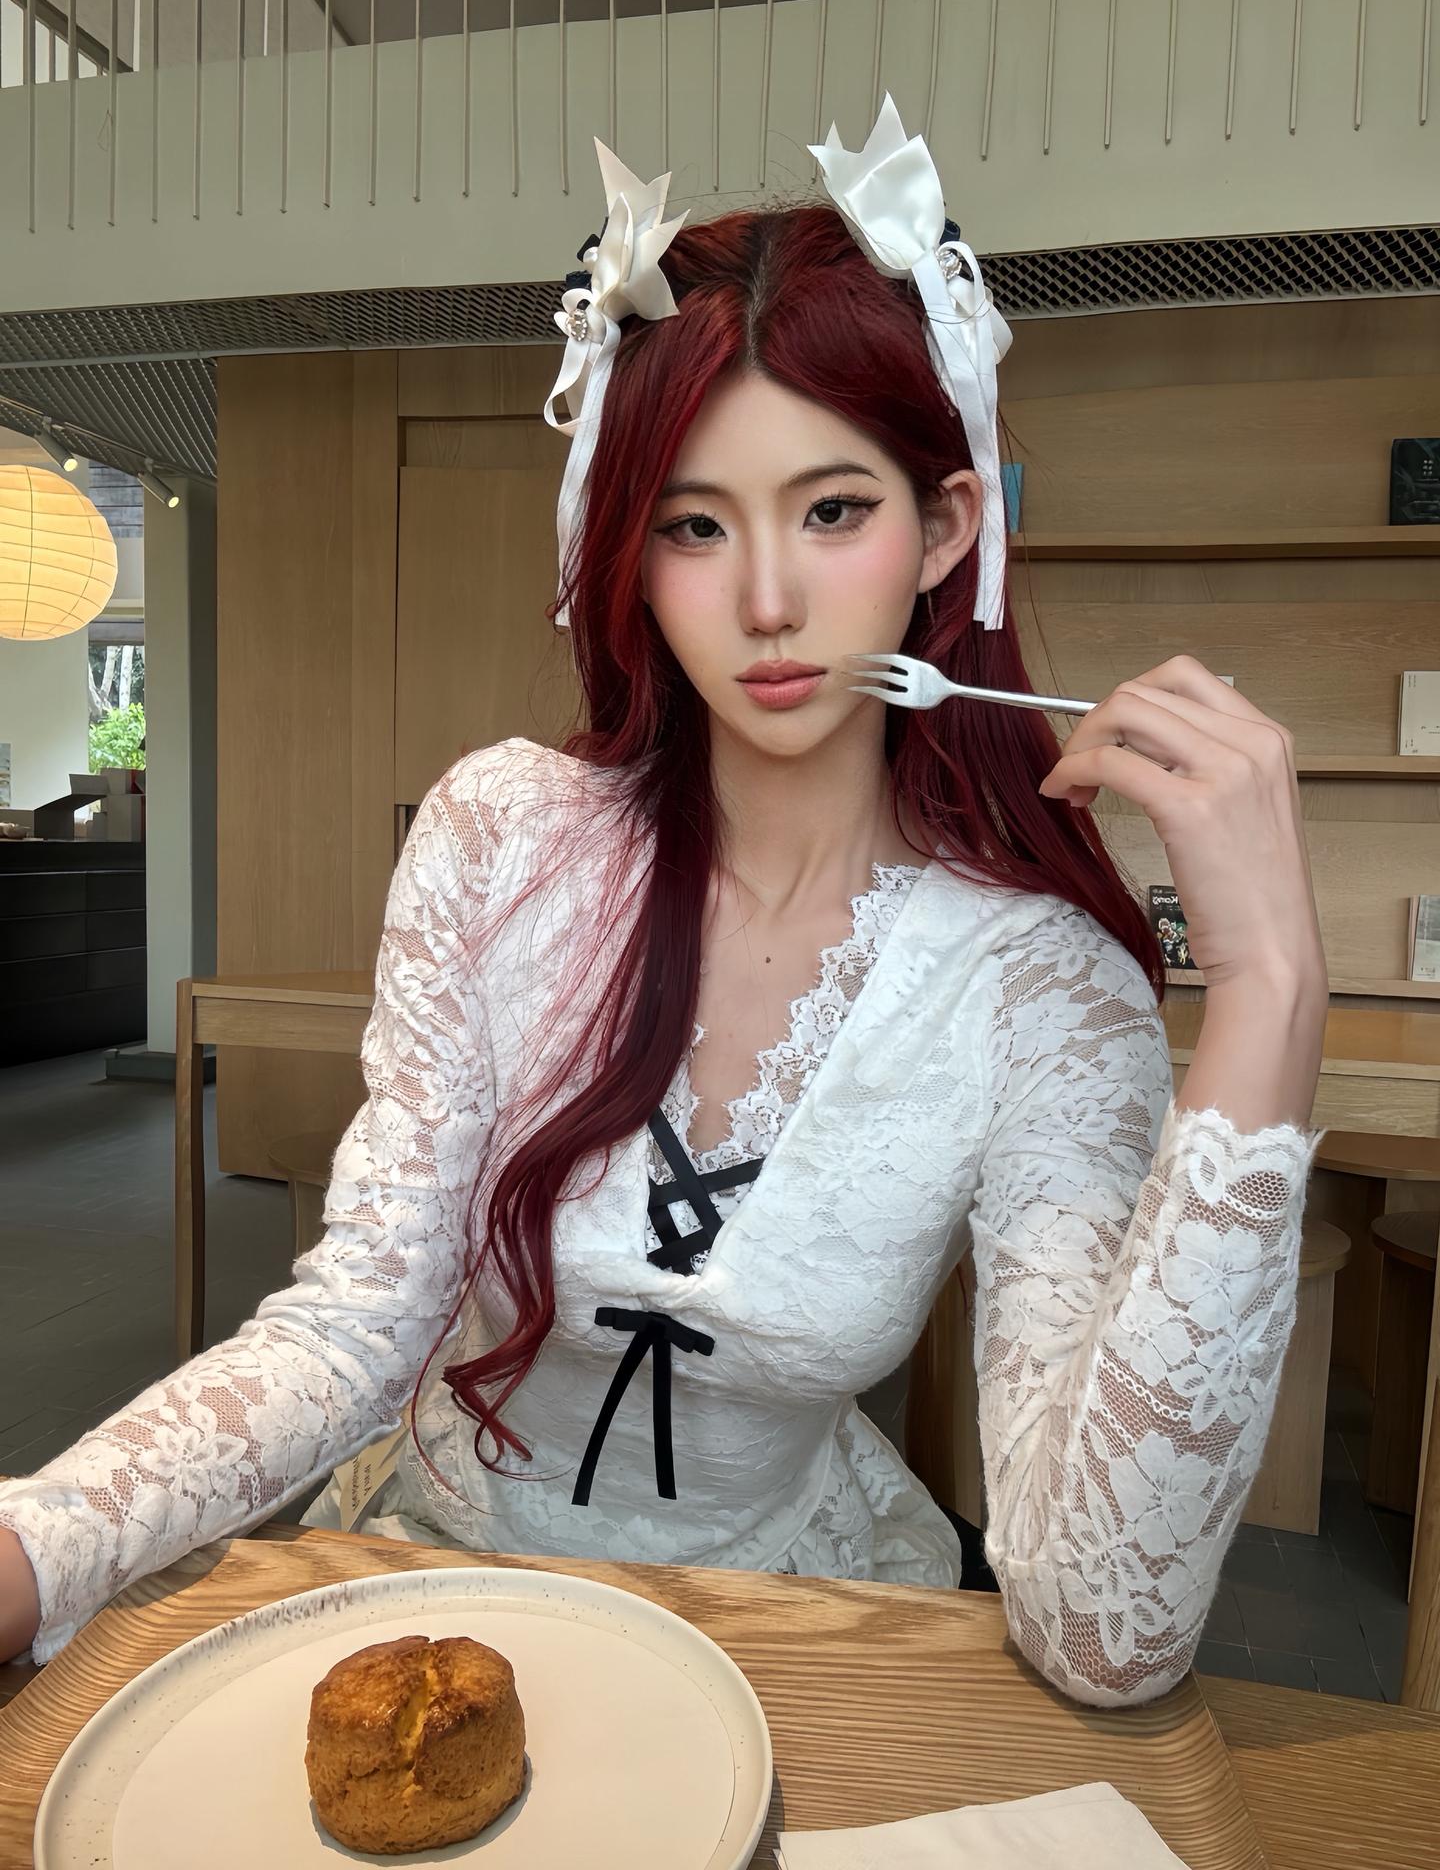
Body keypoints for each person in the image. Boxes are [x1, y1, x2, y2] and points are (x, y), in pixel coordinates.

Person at [0, 103, 1327, 1709]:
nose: (767, 600)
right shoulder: (502, 837)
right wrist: (35, 1545)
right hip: (441, 1575)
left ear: (945, 530)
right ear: (628, 555)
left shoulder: (1039, 986)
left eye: (834, 511)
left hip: (804, 1639)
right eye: (696, 525)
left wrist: (1270, 987)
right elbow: (357, 1325)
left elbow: (1109, 1636)